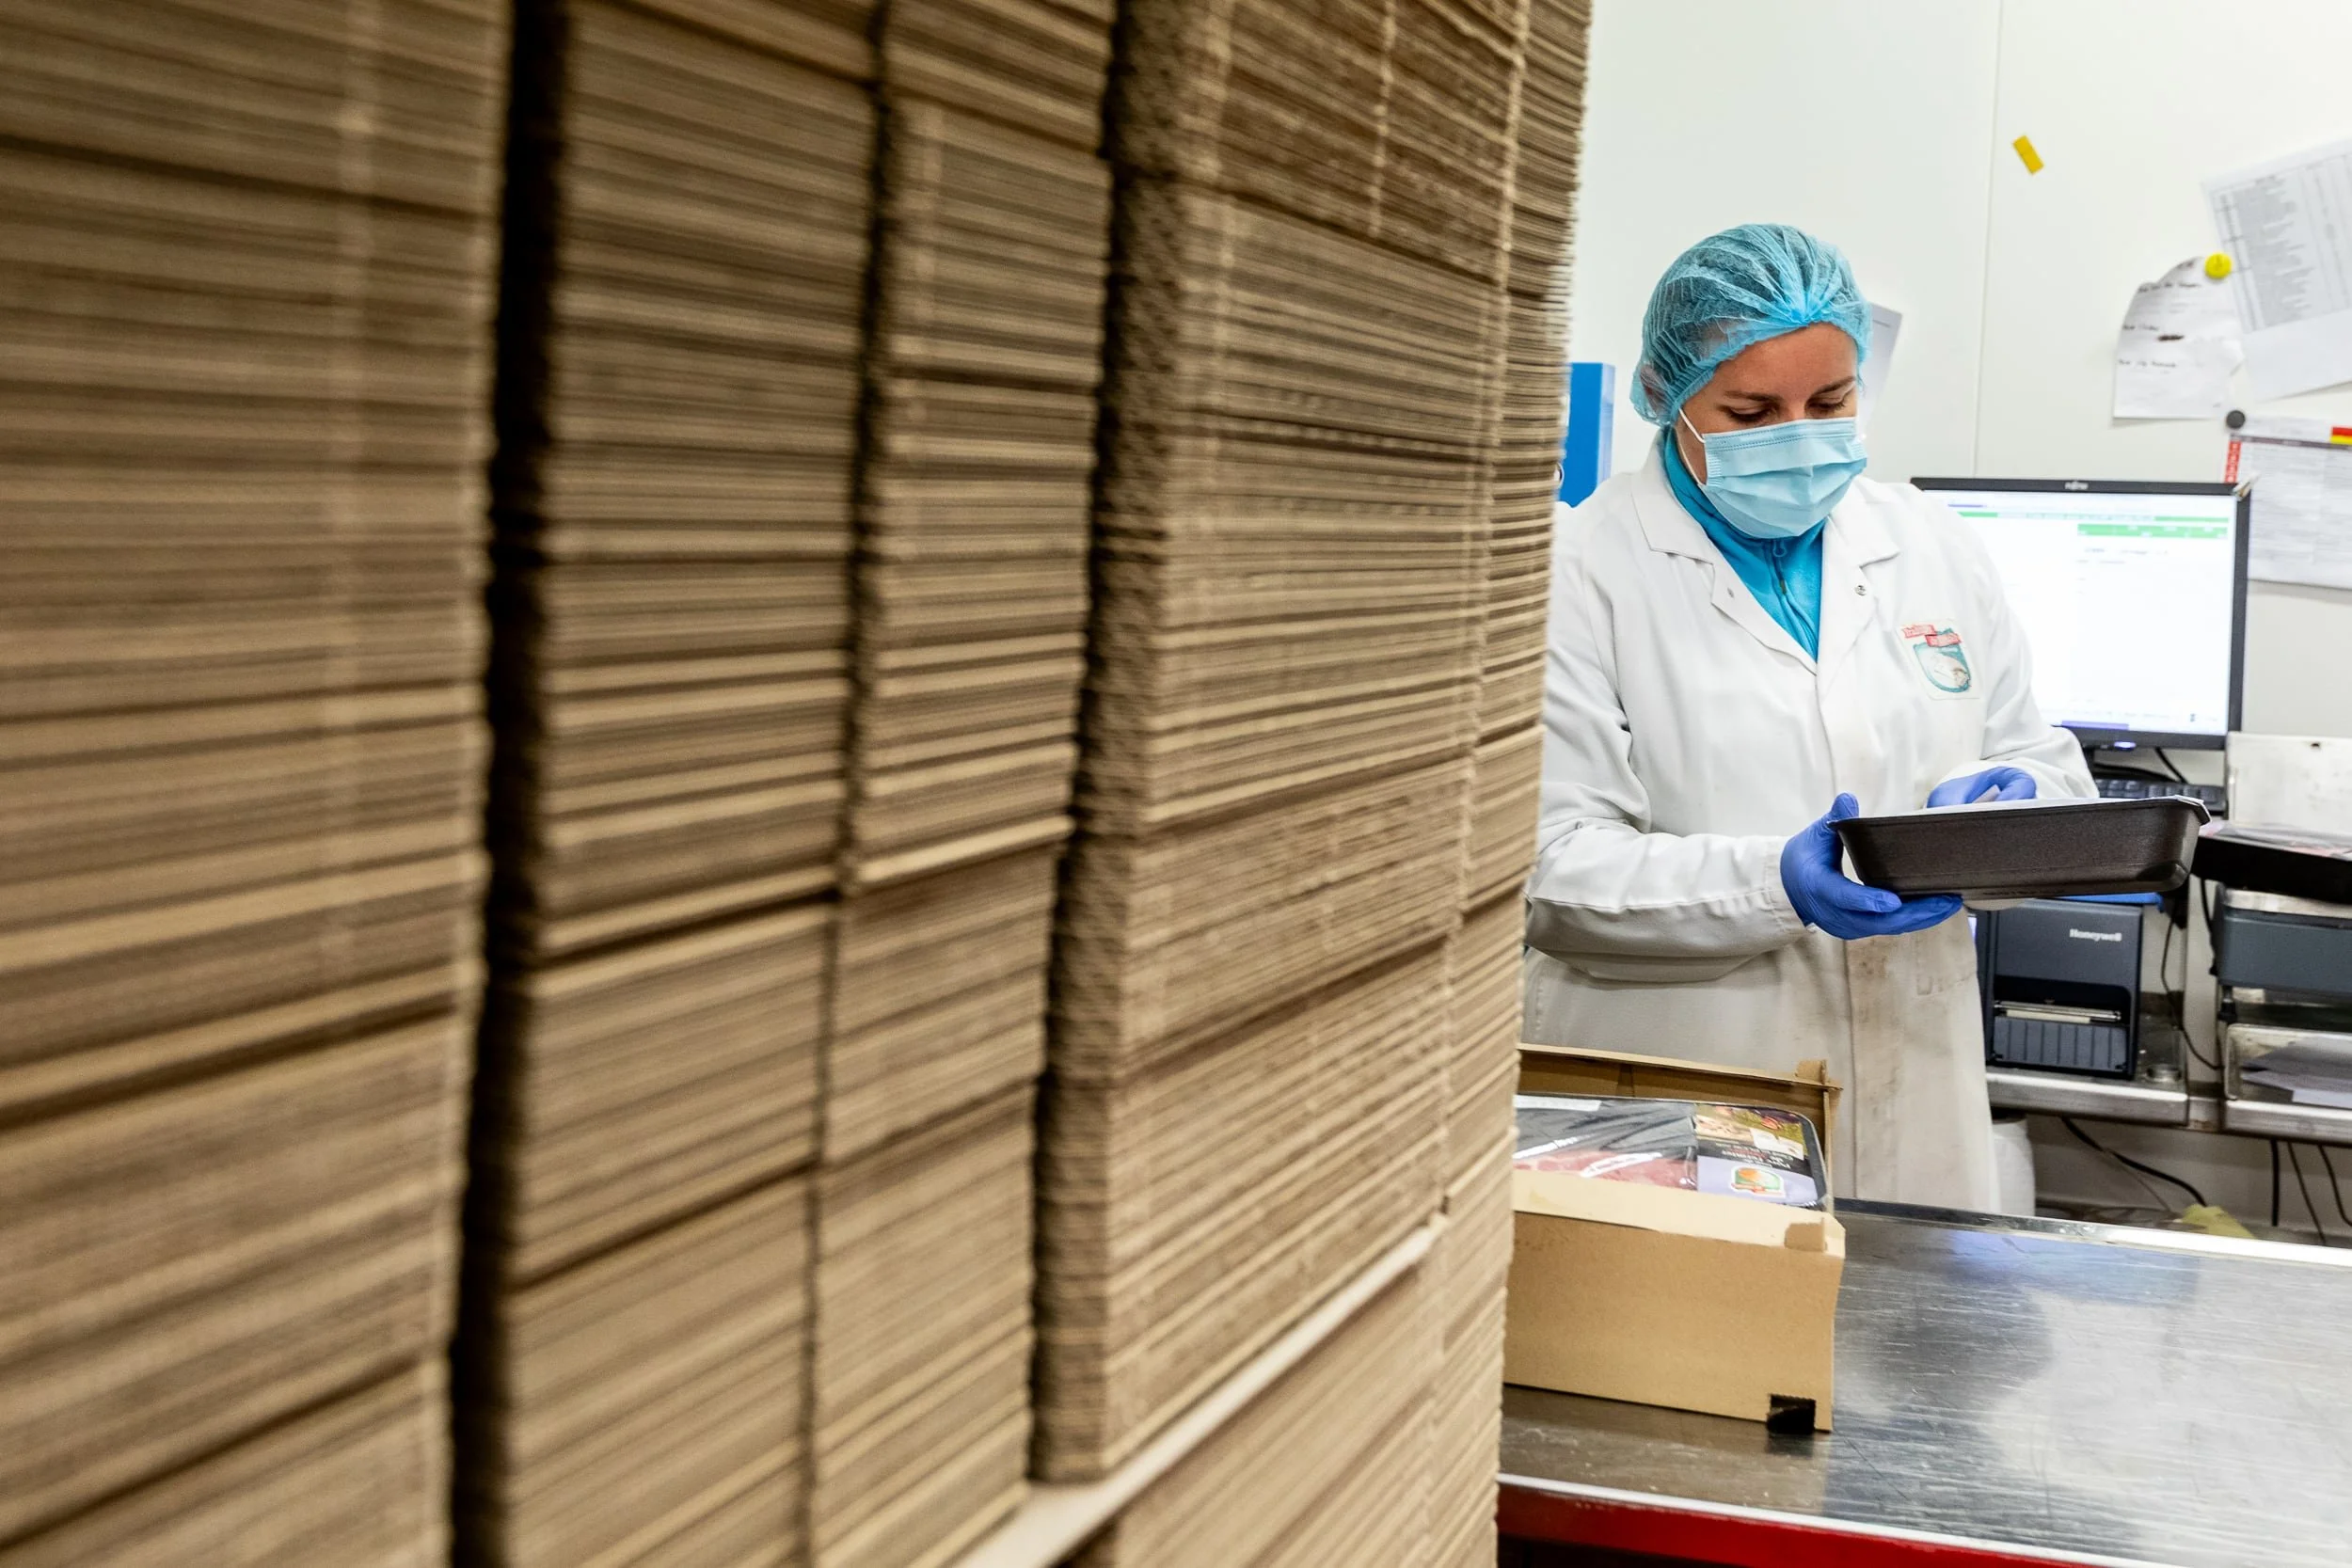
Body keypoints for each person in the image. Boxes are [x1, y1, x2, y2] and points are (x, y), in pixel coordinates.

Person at [1522, 223, 2092, 1211]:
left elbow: (2036, 756)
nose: (1798, 432)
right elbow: (1548, 867)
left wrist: (2016, 810)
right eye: (1750, 410)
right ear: (1668, 401)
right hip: (1687, 1102)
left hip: (1918, 1088)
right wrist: (1771, 880)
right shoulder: (1582, 569)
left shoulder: (1927, 541)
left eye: (1829, 401)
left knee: (1911, 1347)